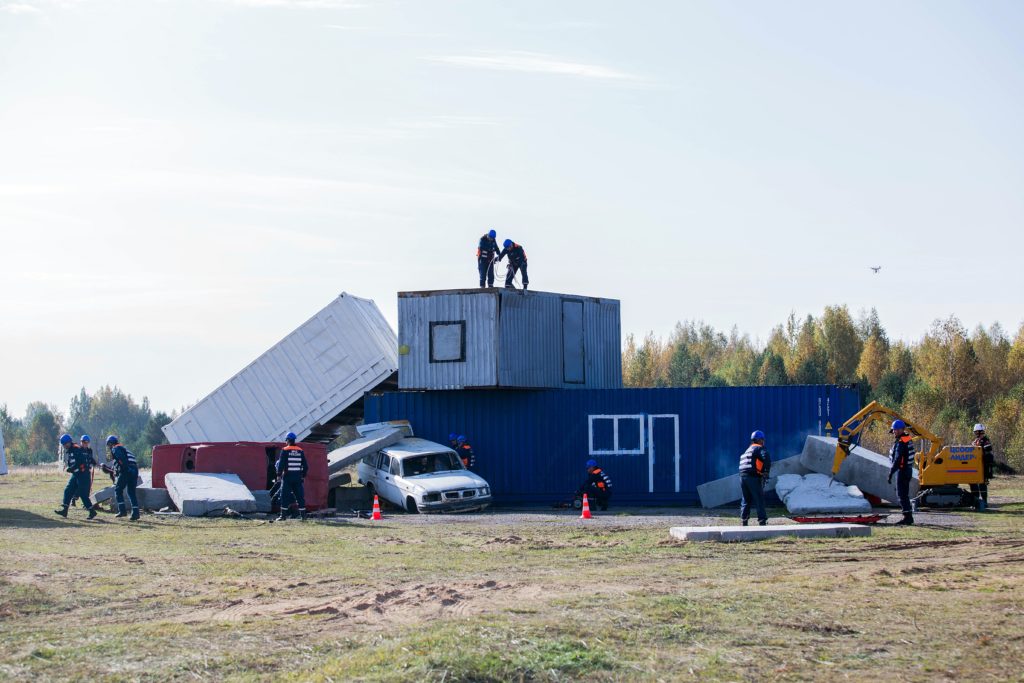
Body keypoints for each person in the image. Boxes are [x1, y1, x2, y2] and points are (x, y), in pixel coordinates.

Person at [54, 434, 97, 519]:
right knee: (68, 490)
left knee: (83, 494)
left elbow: (81, 462)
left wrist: (71, 468)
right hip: (76, 474)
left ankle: (92, 511)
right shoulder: (71, 450)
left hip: (83, 474)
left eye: (66, 444)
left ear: (69, 442)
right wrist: (72, 469)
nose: (65, 446)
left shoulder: (76, 449)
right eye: (64, 444)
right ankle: (65, 510)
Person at [738, 430, 771, 526]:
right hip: (752, 477)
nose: (763, 442)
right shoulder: (759, 448)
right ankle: (762, 522)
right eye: (762, 440)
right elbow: (767, 458)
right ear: (759, 440)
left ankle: (744, 521)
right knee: (759, 499)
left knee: (746, 500)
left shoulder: (748, 450)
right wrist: (766, 472)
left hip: (742, 477)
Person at [887, 419, 915, 525]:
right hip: (907, 470)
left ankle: (907, 517)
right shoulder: (906, 438)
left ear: (902, 430)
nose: (894, 432)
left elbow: (898, 459)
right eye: (894, 430)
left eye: (896, 430)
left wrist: (891, 472)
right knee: (904, 494)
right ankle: (908, 516)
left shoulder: (901, 442)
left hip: (902, 471)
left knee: (901, 494)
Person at [276, 432, 309, 521]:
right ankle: (303, 516)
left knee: (284, 496)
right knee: (300, 497)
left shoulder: (285, 450)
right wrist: (303, 476)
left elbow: (281, 464)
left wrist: (278, 475)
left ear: (287, 440)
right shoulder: (300, 450)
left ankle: (283, 517)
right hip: (298, 477)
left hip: (287, 477)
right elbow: (305, 466)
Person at [107, 435, 140, 521]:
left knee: (118, 490)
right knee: (131, 491)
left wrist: (125, 469)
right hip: (135, 470)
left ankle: (122, 511)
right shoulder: (124, 448)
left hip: (127, 470)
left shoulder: (115, 448)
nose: (109, 447)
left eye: (109, 445)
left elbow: (121, 460)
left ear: (111, 443)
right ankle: (135, 513)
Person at [971, 423, 994, 511]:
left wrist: (979, 446)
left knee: (982, 484)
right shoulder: (976, 440)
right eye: (975, 432)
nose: (977, 434)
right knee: (973, 484)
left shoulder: (985, 440)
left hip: (983, 466)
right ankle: (976, 501)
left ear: (981, 432)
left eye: (978, 432)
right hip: (975, 466)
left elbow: (988, 449)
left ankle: (984, 502)